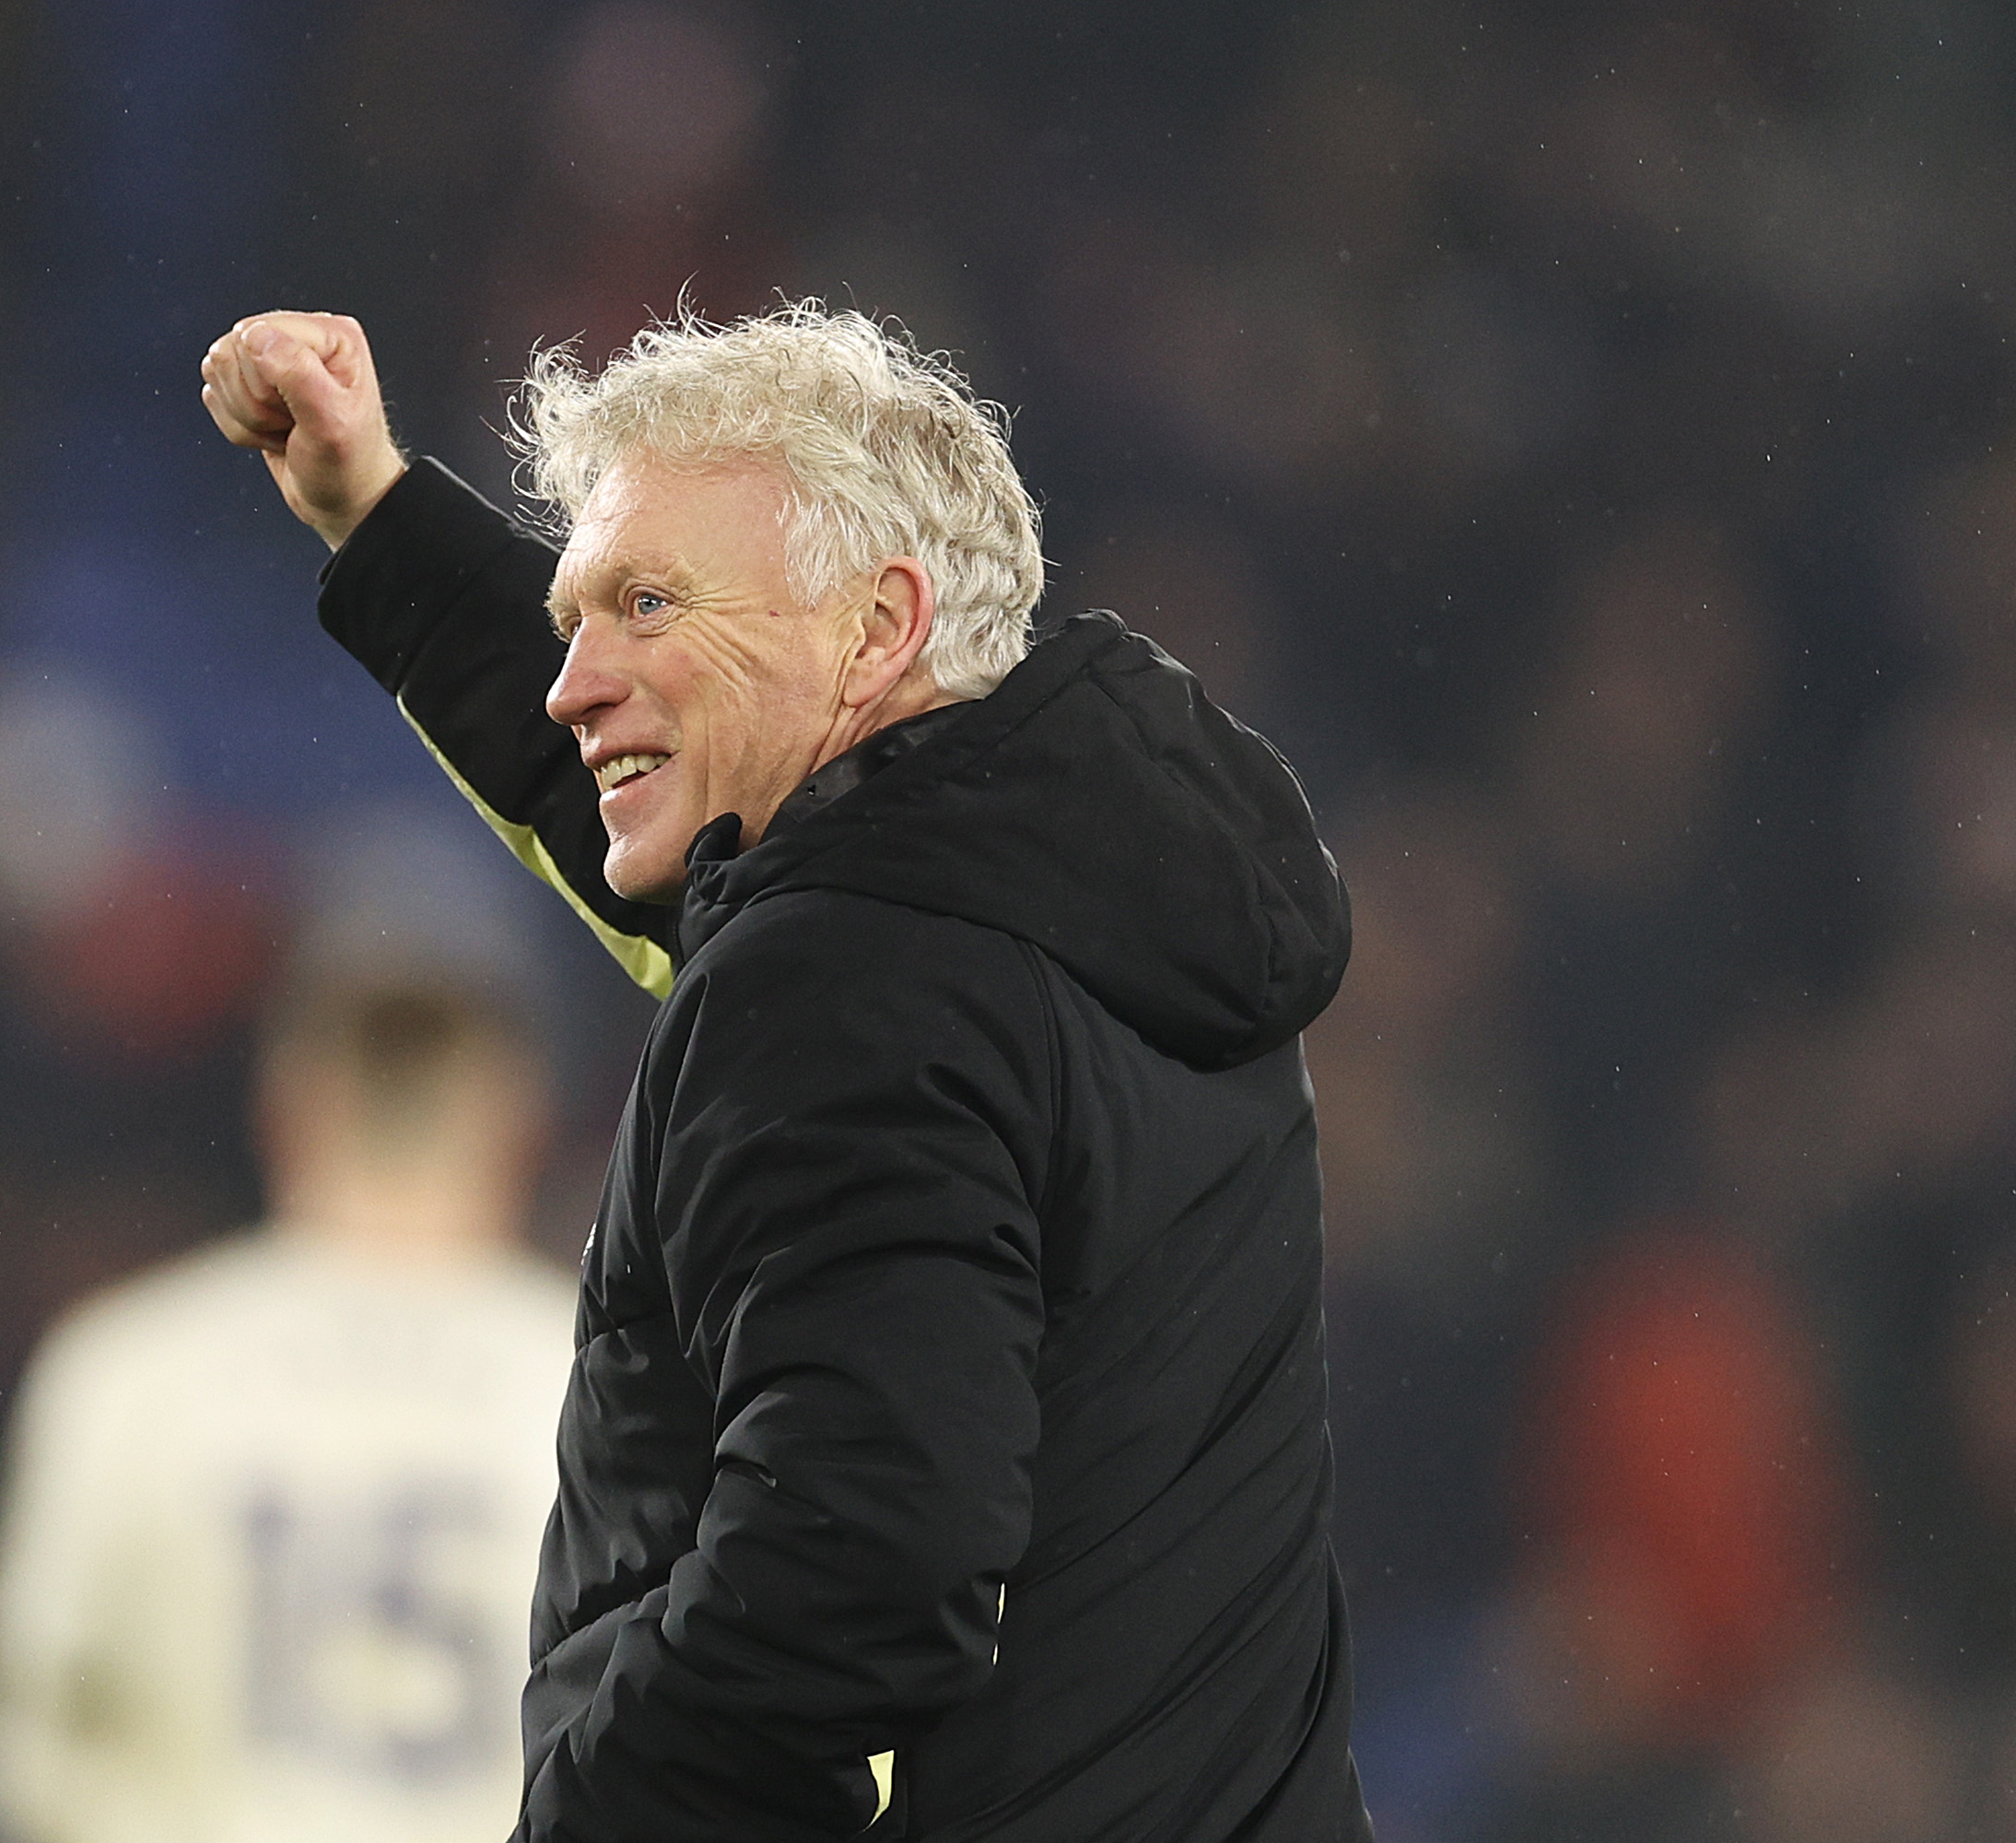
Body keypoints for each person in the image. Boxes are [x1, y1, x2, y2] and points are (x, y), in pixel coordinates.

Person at [199, 303, 1371, 1841]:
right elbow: (697, 841)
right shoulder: (1091, 912)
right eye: (574, 620)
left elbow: (852, 1578)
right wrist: (381, 514)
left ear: (877, 629)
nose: (571, 682)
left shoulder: (848, 983)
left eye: (647, 604)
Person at [0, 971, 579, 1843]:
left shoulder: (132, 1367)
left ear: (284, 1113)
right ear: (517, 1126)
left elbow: (27, 1745)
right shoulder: (597, 1381)